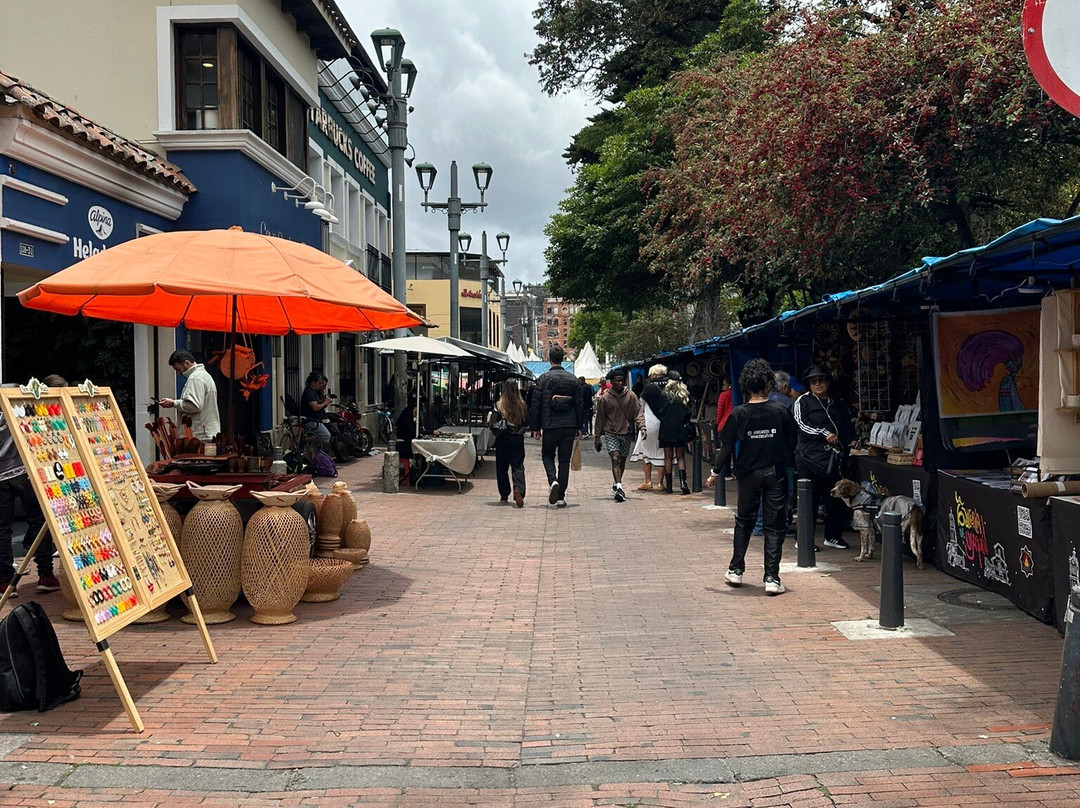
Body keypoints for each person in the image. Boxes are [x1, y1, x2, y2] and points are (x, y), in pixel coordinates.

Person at [706, 359, 796, 595]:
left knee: (744, 520)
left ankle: (736, 570)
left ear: (745, 386)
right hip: (776, 473)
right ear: (769, 384)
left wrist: (715, 472)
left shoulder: (739, 413)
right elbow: (792, 442)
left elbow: (726, 446)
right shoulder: (781, 410)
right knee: (774, 525)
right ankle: (771, 578)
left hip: (747, 474)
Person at [0, 373, 67, 597]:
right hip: (25, 470)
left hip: (1, 474)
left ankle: (5, 582)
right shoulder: (24, 398)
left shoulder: (11, 394)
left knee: (2, 530)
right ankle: (45, 575)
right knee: (39, 522)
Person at [793, 365, 858, 550]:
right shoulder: (802, 402)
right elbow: (800, 424)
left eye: (821, 380)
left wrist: (853, 439)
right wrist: (823, 433)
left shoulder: (836, 403)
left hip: (834, 458)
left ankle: (833, 536)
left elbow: (846, 424)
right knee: (809, 499)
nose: (818, 384)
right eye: (814, 381)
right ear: (809, 384)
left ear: (828, 382)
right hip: (810, 458)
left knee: (836, 498)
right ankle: (803, 539)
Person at [529, 345, 585, 508]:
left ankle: (553, 480)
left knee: (547, 455)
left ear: (549, 359)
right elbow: (579, 405)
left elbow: (536, 404)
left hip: (549, 424)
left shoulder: (543, 379)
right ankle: (561, 496)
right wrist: (580, 426)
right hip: (569, 424)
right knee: (564, 461)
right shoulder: (573, 379)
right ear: (563, 359)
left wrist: (535, 427)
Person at [593, 369, 645, 501]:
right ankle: (620, 486)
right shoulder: (605, 398)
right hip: (611, 432)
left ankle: (617, 483)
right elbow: (600, 418)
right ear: (612, 382)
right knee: (615, 458)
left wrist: (642, 427)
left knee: (622, 460)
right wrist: (597, 436)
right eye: (618, 381)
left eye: (622, 380)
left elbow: (638, 411)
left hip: (626, 432)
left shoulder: (631, 396)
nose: (621, 383)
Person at [160, 349, 220, 441]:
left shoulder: (195, 378)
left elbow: (195, 405)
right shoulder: (204, 375)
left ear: (187, 363)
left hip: (199, 436)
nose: (179, 373)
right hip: (205, 433)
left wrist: (173, 403)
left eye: (178, 369)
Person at [489, 380, 529, 507]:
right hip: (517, 438)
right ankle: (519, 490)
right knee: (518, 466)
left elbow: (492, 424)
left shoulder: (499, 405)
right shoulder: (522, 405)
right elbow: (527, 421)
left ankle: (504, 495)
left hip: (502, 439)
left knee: (502, 467)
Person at [630, 364, 668, 491]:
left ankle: (648, 481)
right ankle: (660, 484)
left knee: (646, 452)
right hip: (665, 423)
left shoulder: (648, 388)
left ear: (653, 375)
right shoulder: (670, 386)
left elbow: (641, 405)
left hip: (650, 423)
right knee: (662, 452)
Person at [657, 371, 692, 495]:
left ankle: (669, 486)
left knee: (668, 457)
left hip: (666, 428)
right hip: (680, 428)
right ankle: (683, 483)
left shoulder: (663, 394)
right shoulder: (684, 395)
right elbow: (689, 413)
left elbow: (659, 412)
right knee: (680, 456)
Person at [300, 371, 334, 448]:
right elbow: (315, 407)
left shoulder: (315, 392)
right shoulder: (309, 392)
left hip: (317, 419)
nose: (321, 386)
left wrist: (324, 402)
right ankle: (315, 450)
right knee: (326, 435)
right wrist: (325, 402)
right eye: (319, 384)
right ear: (313, 383)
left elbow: (319, 406)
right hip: (311, 420)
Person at [714, 378, 734, 479]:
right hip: (736, 424)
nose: (722, 386)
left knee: (725, 449)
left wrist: (717, 422)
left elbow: (720, 410)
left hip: (724, 424)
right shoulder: (736, 393)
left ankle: (726, 473)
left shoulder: (724, 395)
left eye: (724, 384)